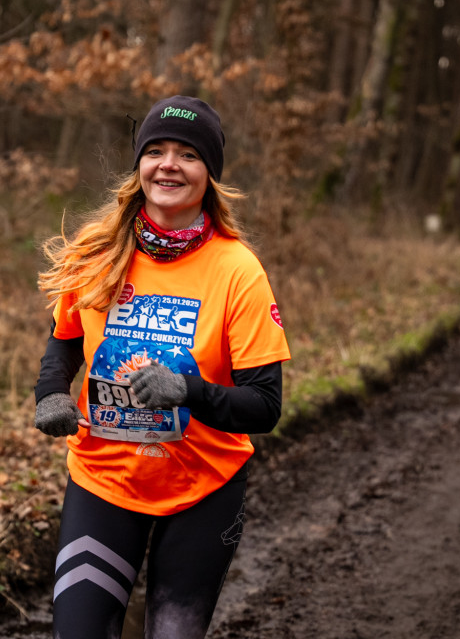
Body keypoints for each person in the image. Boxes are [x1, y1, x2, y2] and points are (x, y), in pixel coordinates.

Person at [32, 94, 291, 639]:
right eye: (156, 150)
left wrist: (188, 391)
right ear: (140, 166)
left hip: (203, 487)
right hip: (104, 479)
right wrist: (51, 393)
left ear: (209, 175)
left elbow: (265, 406)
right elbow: (63, 343)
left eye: (188, 155)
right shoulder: (97, 251)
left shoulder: (237, 270)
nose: (169, 164)